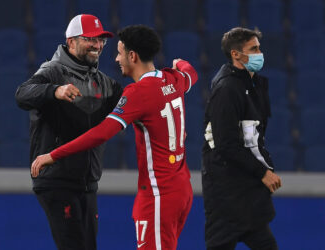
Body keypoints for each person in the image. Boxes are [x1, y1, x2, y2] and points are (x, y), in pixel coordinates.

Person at [31, 25, 199, 250]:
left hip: (158, 194)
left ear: (132, 56)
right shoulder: (173, 79)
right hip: (182, 189)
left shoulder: (138, 93)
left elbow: (100, 134)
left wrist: (53, 155)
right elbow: (191, 73)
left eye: (120, 53)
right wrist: (180, 63)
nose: (117, 59)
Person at [15, 14, 123, 250]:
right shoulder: (52, 71)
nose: (98, 45)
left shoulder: (105, 82)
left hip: (87, 182)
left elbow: (133, 107)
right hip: (56, 179)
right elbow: (22, 94)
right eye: (90, 39)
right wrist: (55, 91)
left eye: (101, 40)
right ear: (71, 42)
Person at [201, 27, 282, 250]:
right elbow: (225, 144)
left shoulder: (253, 84)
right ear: (235, 54)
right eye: (253, 49)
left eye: (259, 48)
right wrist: (262, 172)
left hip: (245, 191)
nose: (260, 53)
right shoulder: (227, 89)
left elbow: (256, 136)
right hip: (226, 193)